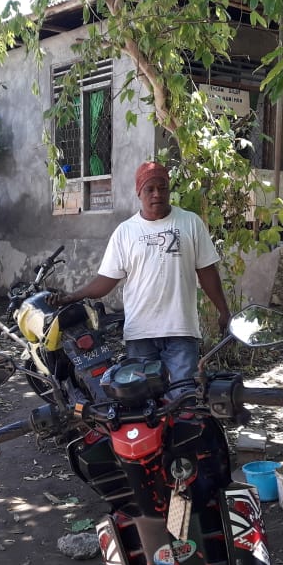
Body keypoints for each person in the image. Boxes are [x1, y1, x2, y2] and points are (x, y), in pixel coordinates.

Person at [52, 161, 230, 392]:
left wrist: (224, 311)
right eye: (150, 189)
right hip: (140, 334)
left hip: (181, 331)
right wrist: (72, 297)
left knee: (182, 397)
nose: (157, 194)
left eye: (162, 187)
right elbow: (107, 280)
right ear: (139, 192)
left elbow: (206, 271)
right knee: (143, 401)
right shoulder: (125, 232)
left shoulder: (190, 223)